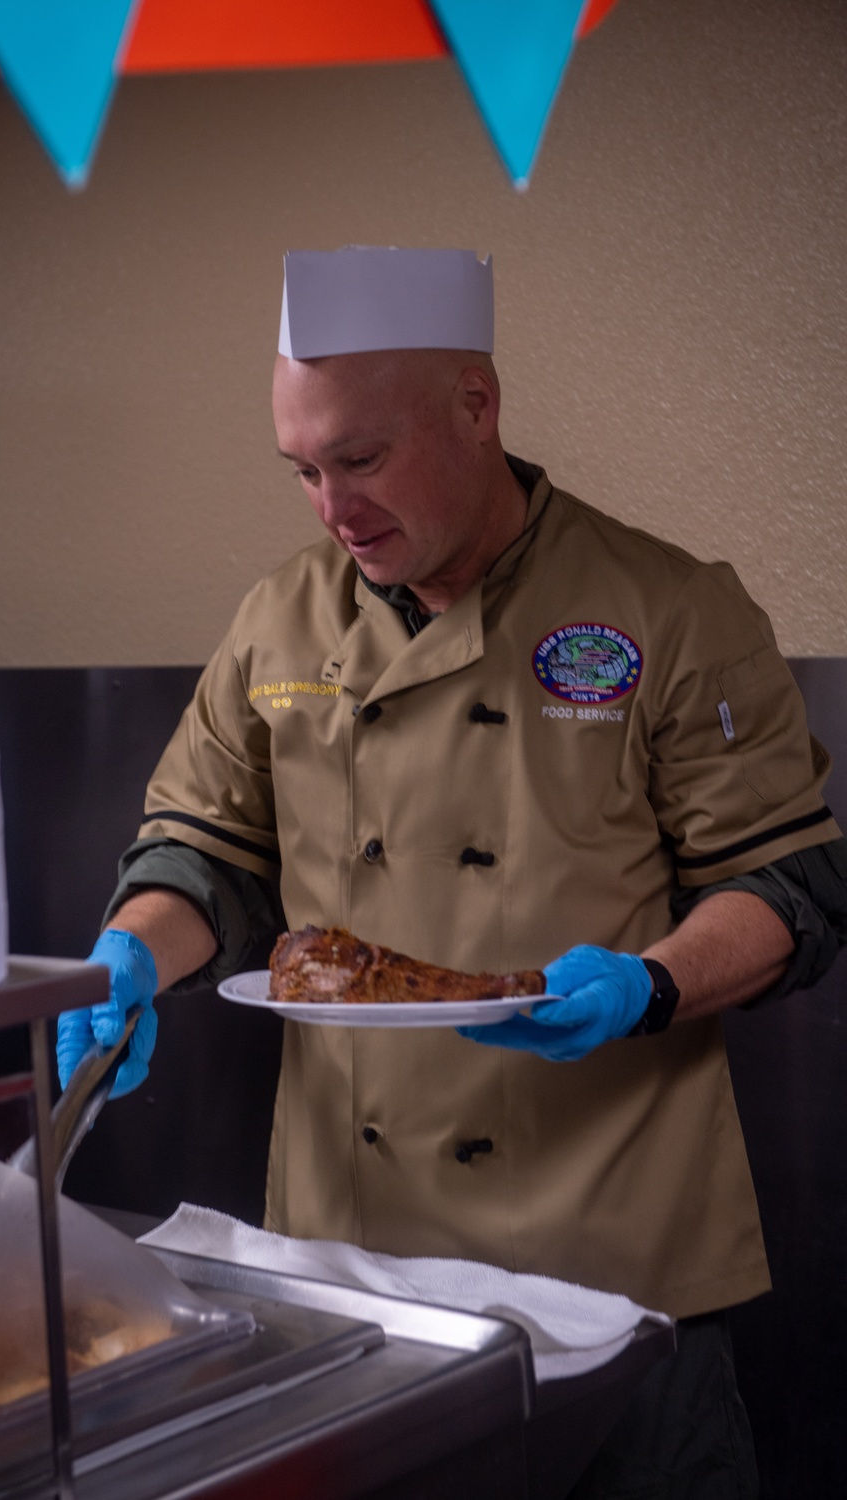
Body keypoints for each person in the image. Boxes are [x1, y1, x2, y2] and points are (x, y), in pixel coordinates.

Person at [58, 248, 847, 1495]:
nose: (331, 506)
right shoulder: (278, 618)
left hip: (615, 1260)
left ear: (476, 406)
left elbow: (787, 884)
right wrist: (134, 957)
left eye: (361, 460)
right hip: (350, 1269)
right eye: (305, 471)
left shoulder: (669, 607)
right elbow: (205, 849)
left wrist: (646, 984)